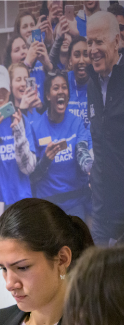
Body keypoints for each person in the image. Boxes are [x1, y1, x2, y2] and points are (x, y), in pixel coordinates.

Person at [30, 71, 93, 219]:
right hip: (48, 204)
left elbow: (82, 152)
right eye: (56, 88)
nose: (61, 91)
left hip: (75, 202)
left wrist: (91, 167)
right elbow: (32, 177)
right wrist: (46, 160)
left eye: (64, 87)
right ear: (47, 95)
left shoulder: (76, 122)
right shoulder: (36, 127)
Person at [86, 12, 124, 245]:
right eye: (89, 42)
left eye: (99, 41)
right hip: (102, 212)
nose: (92, 49)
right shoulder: (92, 84)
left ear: (117, 41)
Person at [0, 66, 36, 213]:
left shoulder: (20, 119)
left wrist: (18, 133)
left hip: (22, 203)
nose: (0, 94)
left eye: (4, 89)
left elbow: (28, 168)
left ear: (10, 90)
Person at [65, 36, 92, 127]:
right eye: (76, 55)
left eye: (86, 55)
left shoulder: (98, 83)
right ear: (70, 60)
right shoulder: (64, 82)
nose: (81, 61)